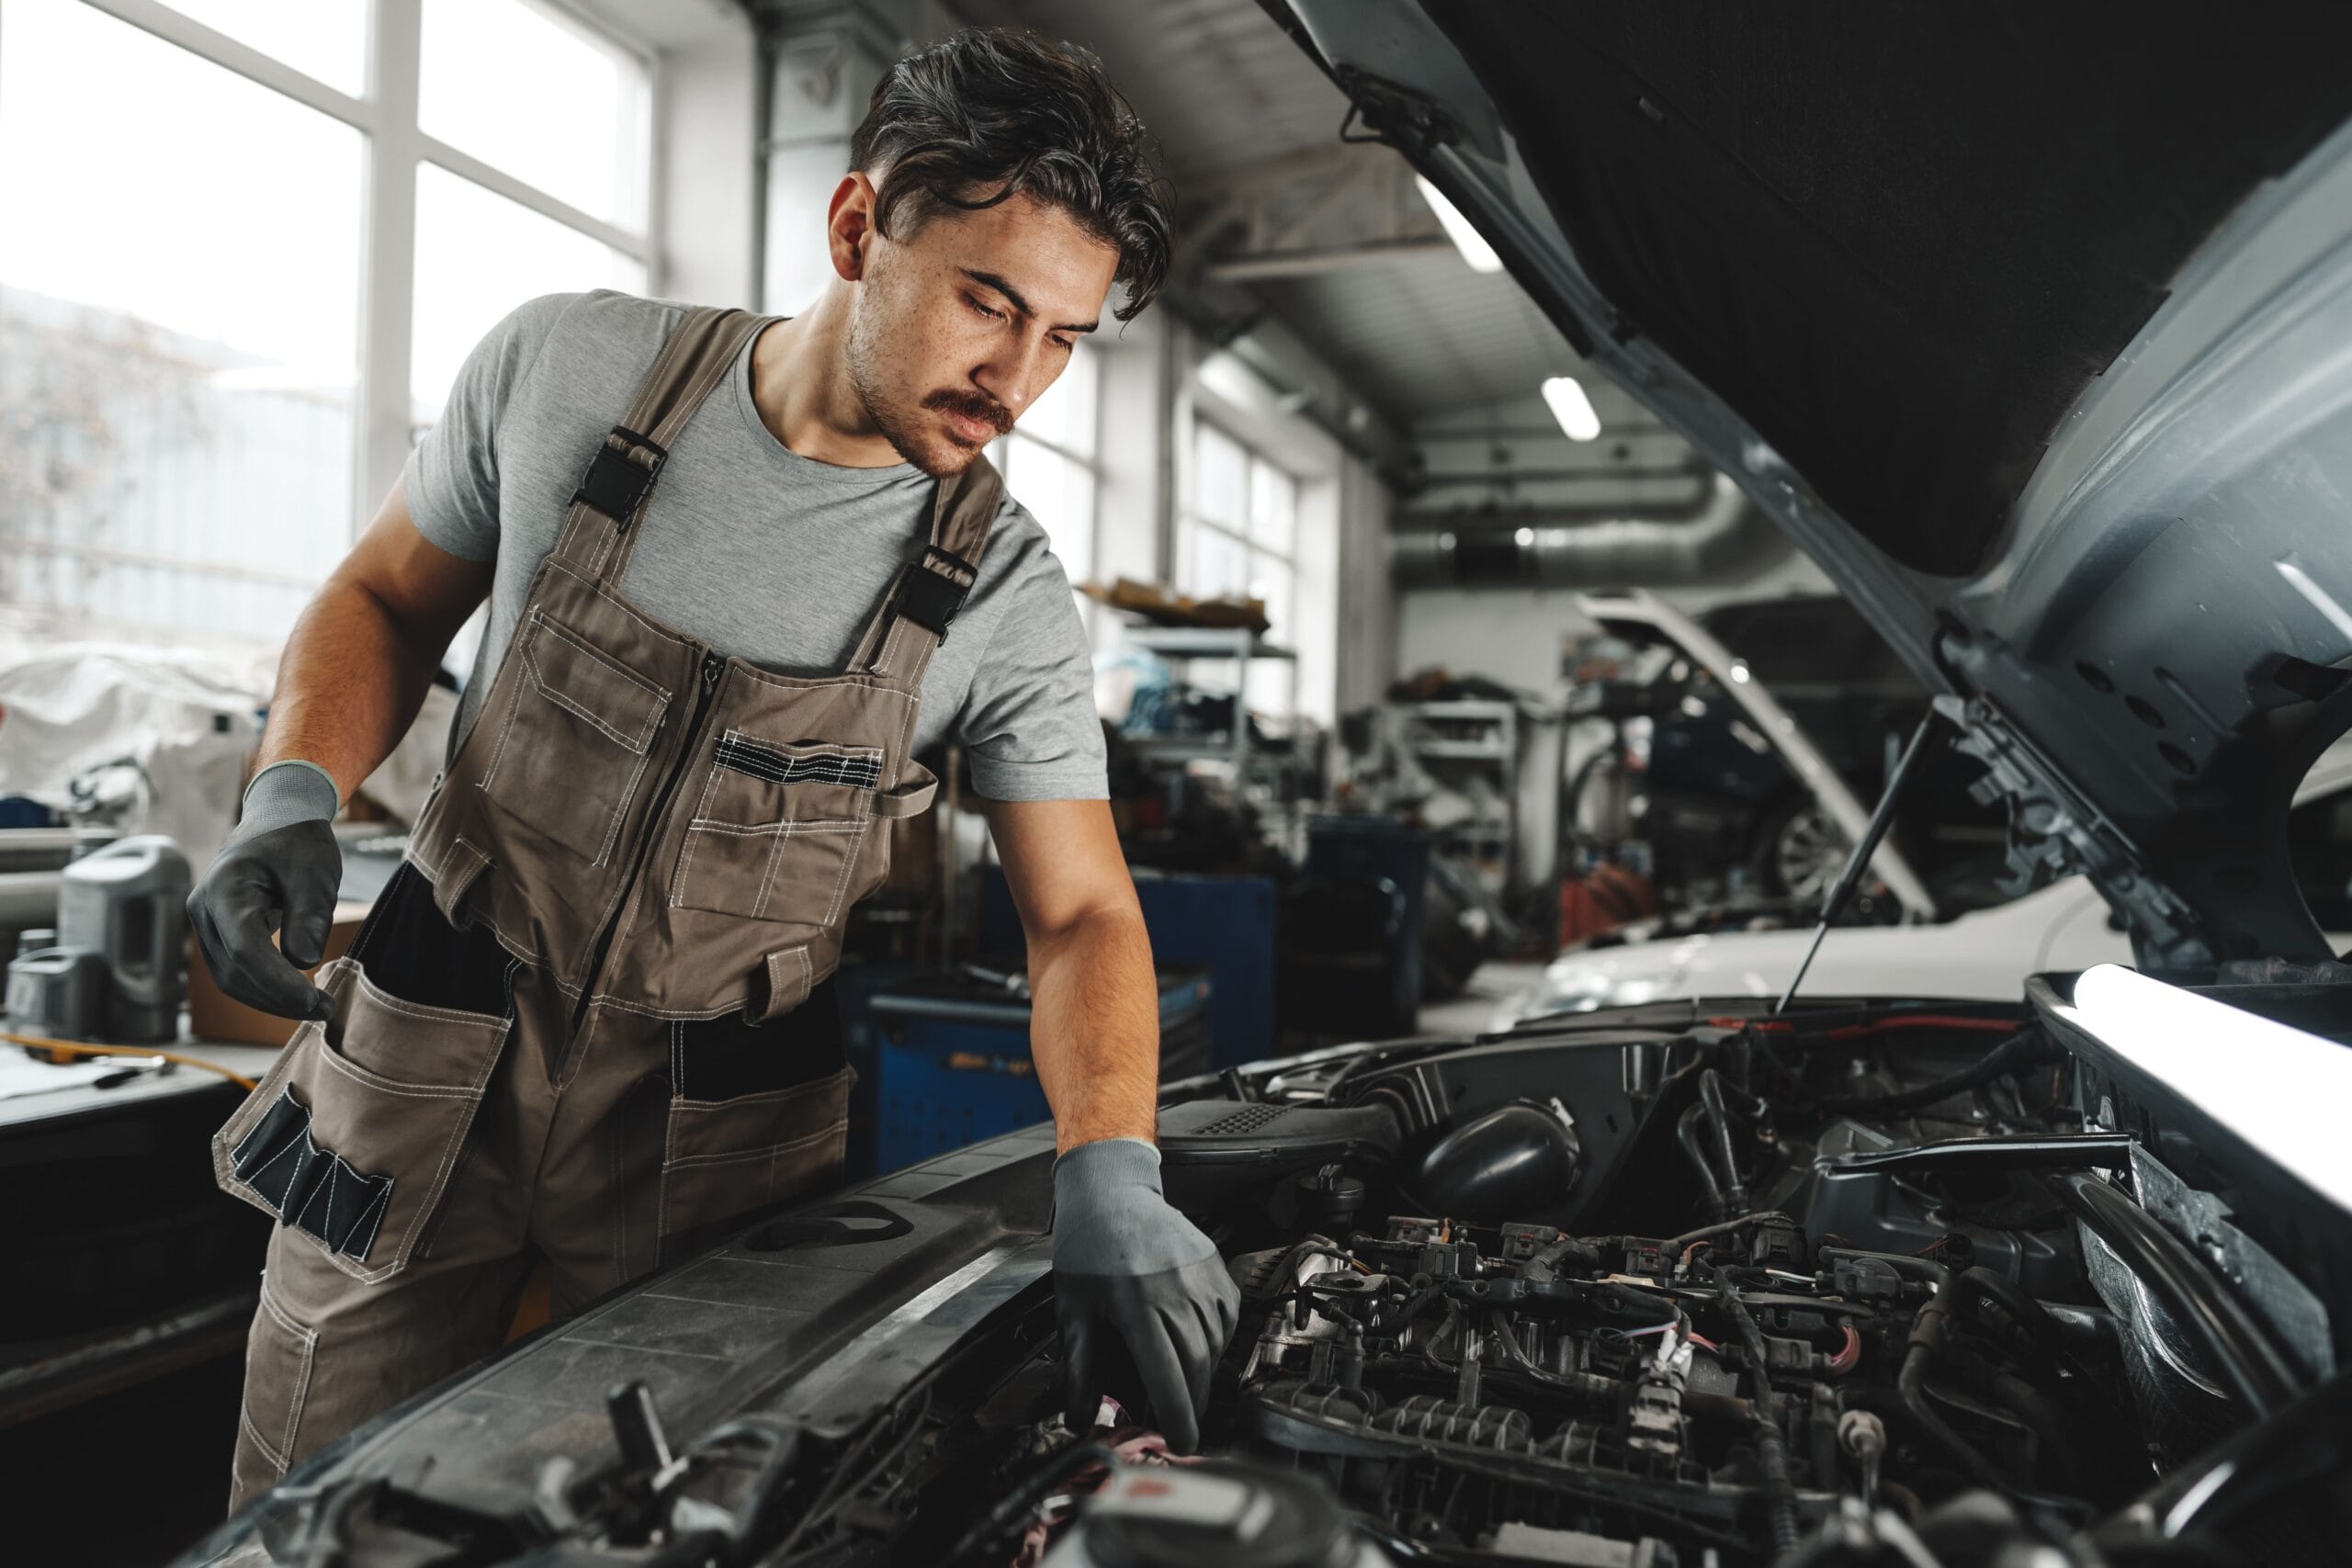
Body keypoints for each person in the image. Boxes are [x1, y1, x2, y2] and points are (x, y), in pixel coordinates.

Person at [187, 28, 1238, 1510]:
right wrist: (291, 789)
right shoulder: (568, 372)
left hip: (713, 1140)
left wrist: (1112, 1164)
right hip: (428, 1065)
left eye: (1063, 338)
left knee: (673, 1530)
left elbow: (1082, 916)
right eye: (988, 303)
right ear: (861, 227)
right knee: (312, 1517)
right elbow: (384, 600)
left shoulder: (998, 590)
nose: (1017, 380)